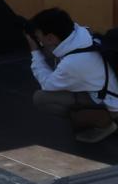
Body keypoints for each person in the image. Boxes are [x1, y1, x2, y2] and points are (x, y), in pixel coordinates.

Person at [27, 8, 117, 143]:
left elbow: (47, 84)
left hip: (115, 106)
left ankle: (104, 122)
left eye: (40, 39)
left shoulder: (72, 63)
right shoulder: (84, 33)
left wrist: (35, 52)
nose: (41, 43)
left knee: (41, 98)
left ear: (51, 38)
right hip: (110, 93)